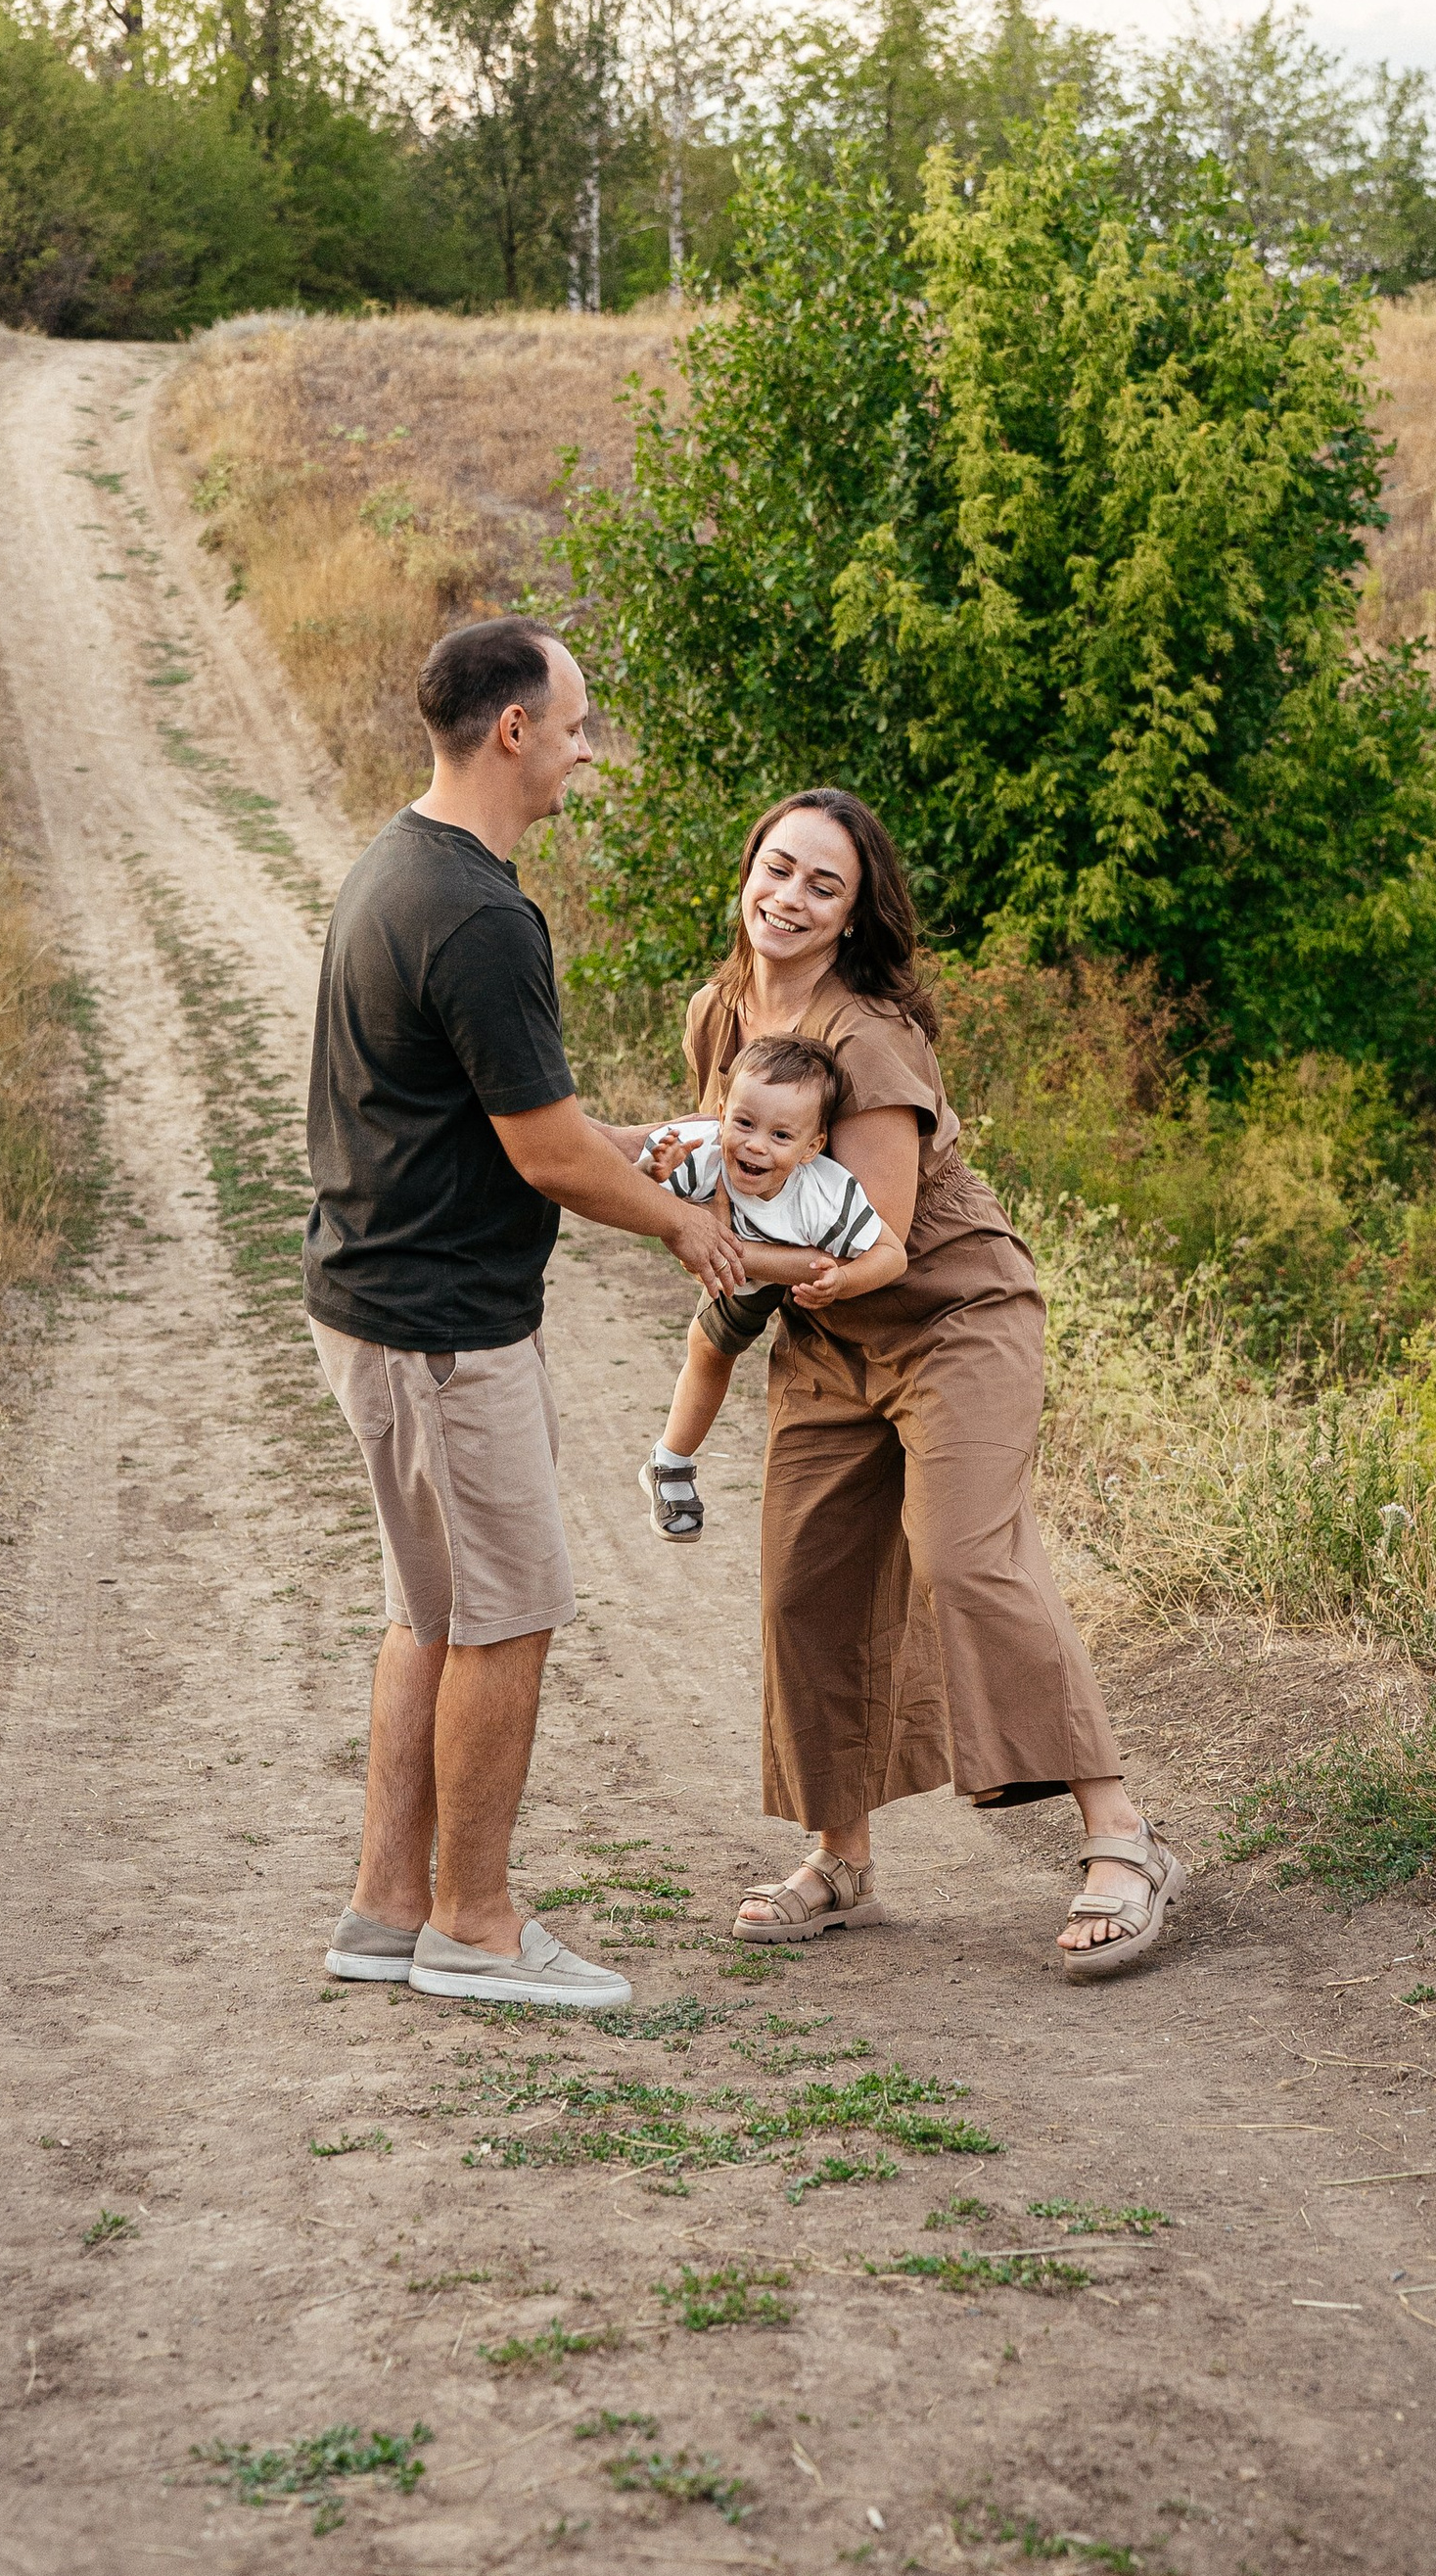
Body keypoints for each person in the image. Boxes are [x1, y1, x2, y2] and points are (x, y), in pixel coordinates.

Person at [664, 785, 1185, 1978]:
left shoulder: (870, 1043)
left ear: (851, 917)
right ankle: (838, 1858)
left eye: (822, 885)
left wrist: (687, 1233)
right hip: (826, 1336)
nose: (788, 898)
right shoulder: (719, 1012)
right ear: (746, 869)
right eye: (777, 868)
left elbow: (872, 1238)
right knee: (806, 1583)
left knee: (966, 1558)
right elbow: (734, 1175)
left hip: (954, 1314)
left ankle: (1124, 1838)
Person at [304, 615, 746, 2011]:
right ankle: (476, 1926)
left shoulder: (401, 863)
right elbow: (542, 1157)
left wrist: (625, 1138)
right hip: (443, 1325)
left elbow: (519, 1122)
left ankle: (386, 1913)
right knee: (507, 1613)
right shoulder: (484, 914)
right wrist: (685, 1221)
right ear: (512, 730)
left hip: (380, 1303)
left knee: (430, 1612)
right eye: (575, 724)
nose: (583, 749)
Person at [633, 1033, 908, 1540]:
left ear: (812, 1146)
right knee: (709, 1351)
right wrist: (657, 1172)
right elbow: (630, 1194)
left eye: (781, 1136)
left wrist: (844, 1280)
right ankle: (671, 1462)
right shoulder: (702, 1151)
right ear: (721, 1113)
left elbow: (892, 1255)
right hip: (739, 1275)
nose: (756, 1144)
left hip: (803, 1268)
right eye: (744, 1123)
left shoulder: (825, 1195)